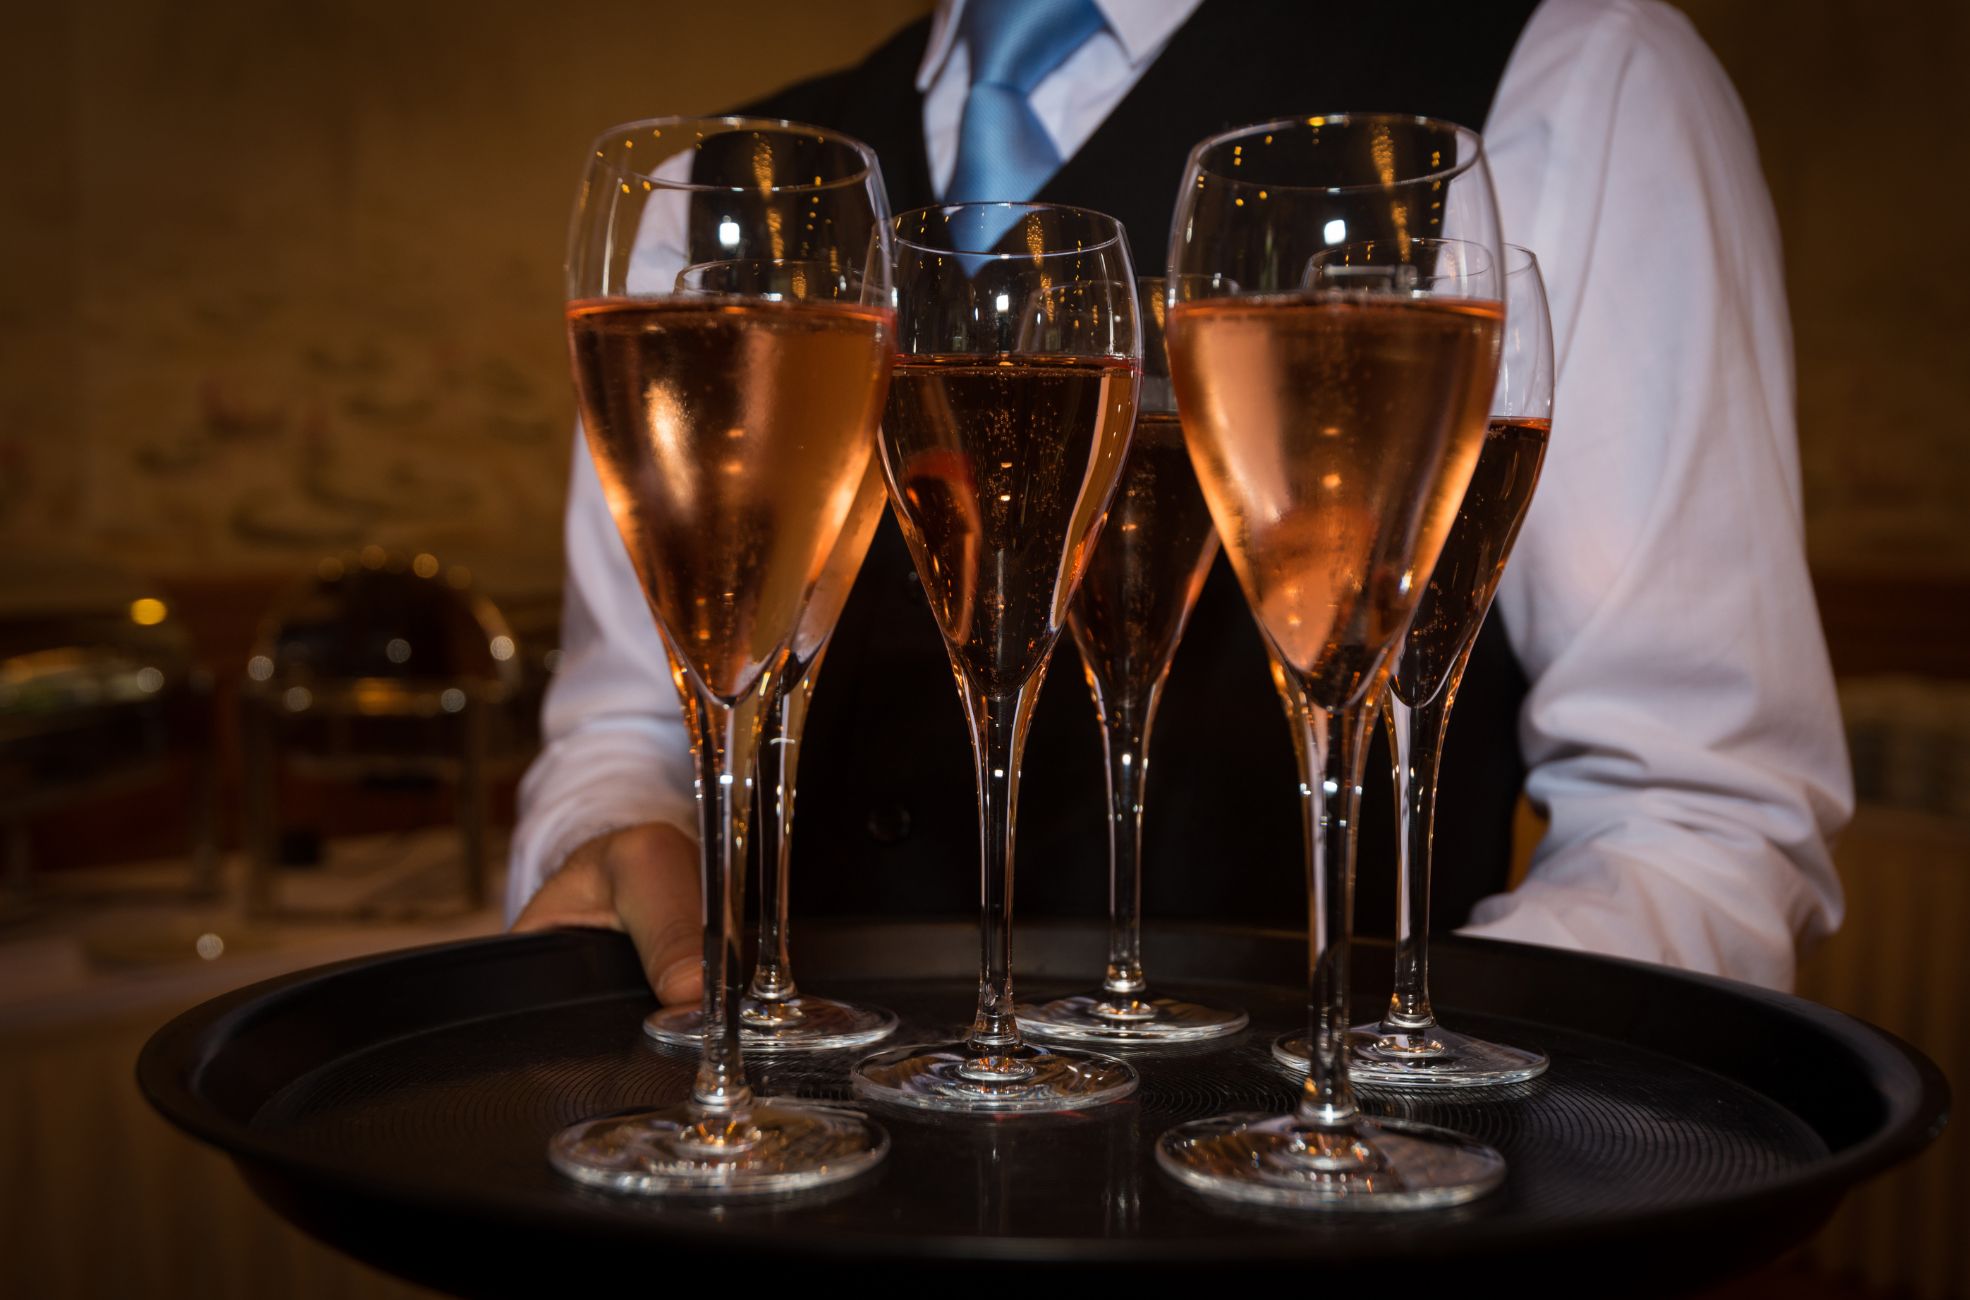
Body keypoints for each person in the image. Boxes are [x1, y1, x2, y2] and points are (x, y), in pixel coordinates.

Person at [508, 0, 1853, 1006]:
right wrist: (614, 832)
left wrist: (1396, 1101)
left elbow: (1693, 815)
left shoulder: (1570, 74)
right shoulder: (704, 196)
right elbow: (625, 716)